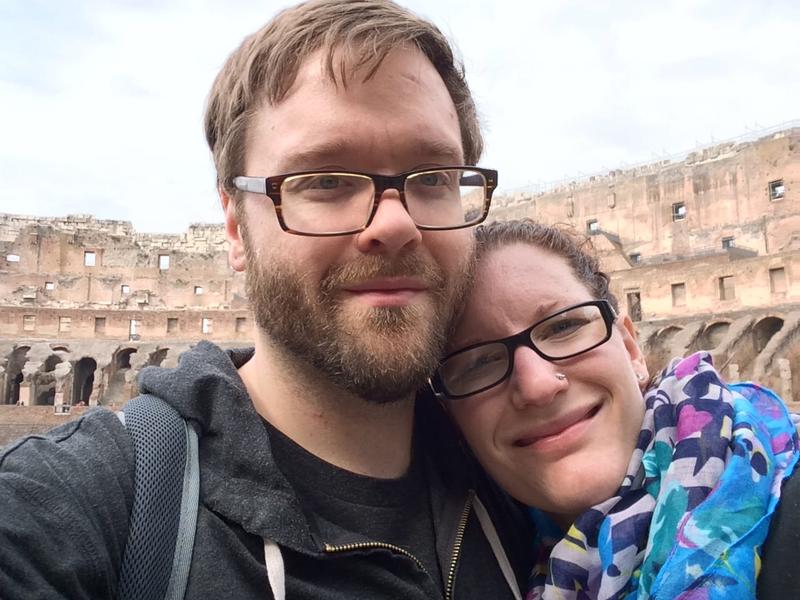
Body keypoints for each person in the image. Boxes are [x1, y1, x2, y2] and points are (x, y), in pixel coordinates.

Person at [0, 2, 533, 598]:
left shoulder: (522, 489)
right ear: (235, 229)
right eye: (326, 180)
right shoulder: (72, 506)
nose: (394, 224)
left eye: (433, 177)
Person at [430, 219, 800, 600]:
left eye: (563, 327)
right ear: (450, 419)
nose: (538, 386)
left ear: (630, 349)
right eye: (478, 362)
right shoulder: (493, 563)